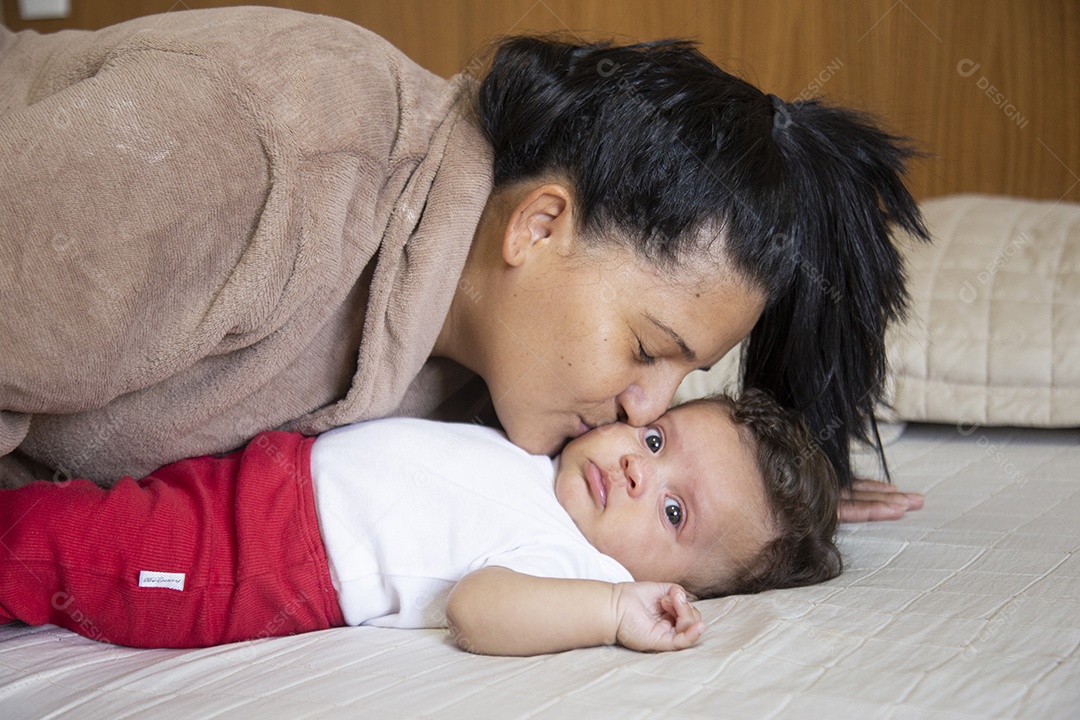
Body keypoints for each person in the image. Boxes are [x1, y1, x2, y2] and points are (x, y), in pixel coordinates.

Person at [0, 7, 925, 521]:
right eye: (649, 349)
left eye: (683, 376)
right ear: (539, 225)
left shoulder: (504, 364)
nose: (647, 409)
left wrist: (756, 512)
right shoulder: (261, 157)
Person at [0, 390, 841, 655]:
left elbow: (479, 608)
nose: (636, 469)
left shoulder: (580, 569)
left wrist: (616, 612)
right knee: (78, 510)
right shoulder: (545, 449)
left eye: (673, 509)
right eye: (656, 440)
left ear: (673, 583)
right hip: (263, 479)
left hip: (261, 562)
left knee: (46, 546)